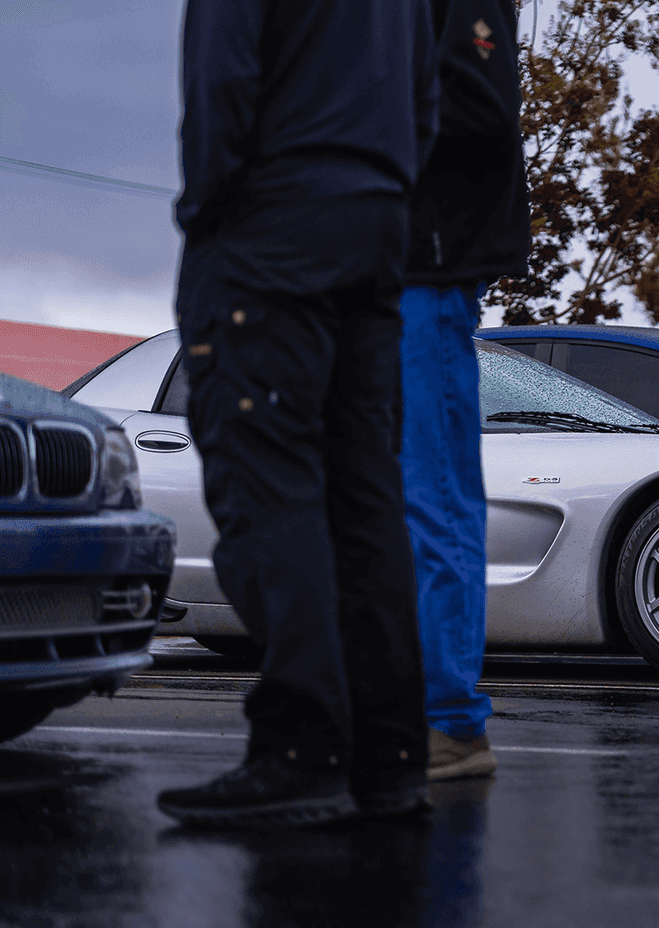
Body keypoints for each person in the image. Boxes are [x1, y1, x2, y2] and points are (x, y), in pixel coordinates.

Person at [157, 0, 439, 827]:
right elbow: (425, 99)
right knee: (363, 497)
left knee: (267, 484)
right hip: (377, 221)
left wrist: (206, 217)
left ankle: (301, 745)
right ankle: (390, 756)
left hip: (274, 219)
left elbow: (222, 80)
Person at [401, 0, 530, 782]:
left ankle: (447, 720)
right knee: (392, 495)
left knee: (434, 493)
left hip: (430, 266)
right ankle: (404, 709)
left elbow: (480, 106)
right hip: (386, 263)